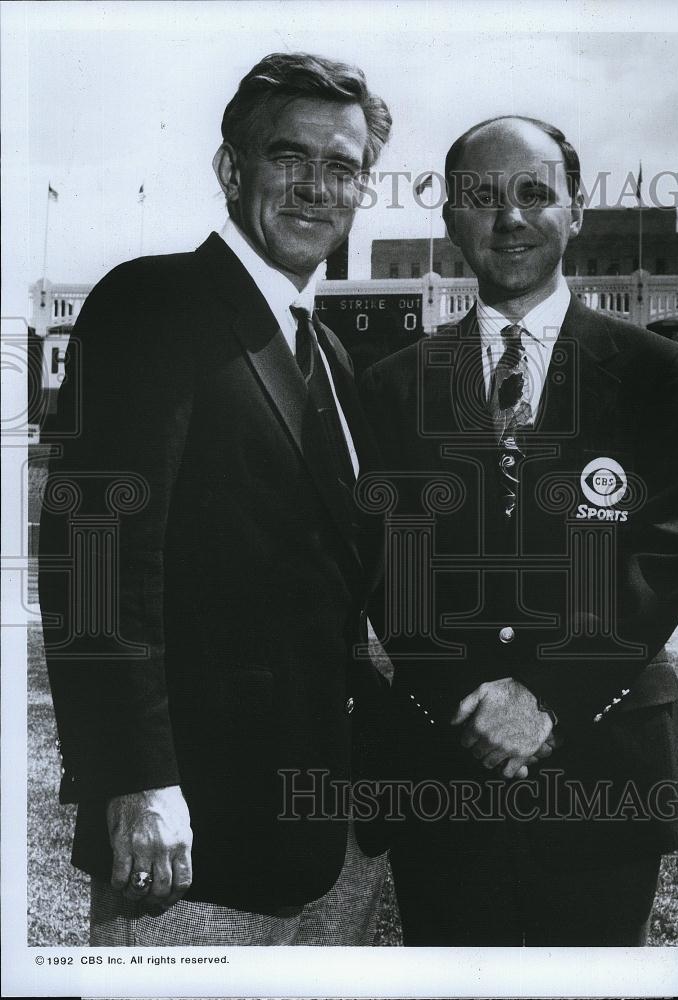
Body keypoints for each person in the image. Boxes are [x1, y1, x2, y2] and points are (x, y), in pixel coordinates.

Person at [38, 51, 392, 946]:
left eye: (342, 167)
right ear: (232, 169)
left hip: (336, 834)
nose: (316, 187)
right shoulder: (154, 303)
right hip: (193, 839)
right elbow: (95, 561)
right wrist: (135, 779)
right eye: (289, 156)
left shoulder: (328, 353)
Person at [359, 115, 678, 945]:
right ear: (450, 217)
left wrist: (548, 695)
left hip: (606, 766)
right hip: (446, 764)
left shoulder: (655, 373)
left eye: (533, 193)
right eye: (481, 196)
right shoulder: (393, 387)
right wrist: (473, 705)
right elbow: (387, 572)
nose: (509, 217)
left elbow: (663, 555)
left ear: (575, 209)